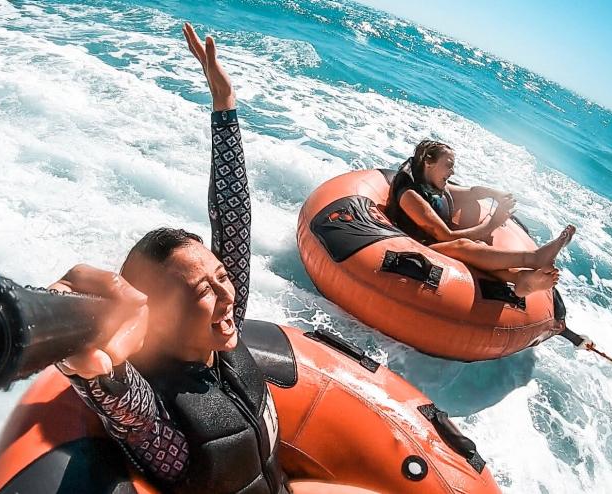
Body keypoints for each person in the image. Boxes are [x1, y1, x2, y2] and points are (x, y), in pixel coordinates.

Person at [49, 23, 377, 494]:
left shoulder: (224, 331)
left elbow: (233, 219)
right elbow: (112, 390)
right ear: (159, 312)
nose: (227, 293)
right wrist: (65, 328)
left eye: (223, 277)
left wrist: (225, 107)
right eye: (204, 289)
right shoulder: (154, 407)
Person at [386, 139, 576, 296]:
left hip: (434, 243)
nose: (452, 172)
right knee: (463, 246)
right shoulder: (409, 194)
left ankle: (521, 280)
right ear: (428, 162)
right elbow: (446, 236)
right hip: (413, 246)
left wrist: (494, 194)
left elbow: (469, 193)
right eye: (448, 165)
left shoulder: (430, 182)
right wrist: (492, 224)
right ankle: (534, 259)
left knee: (480, 245)